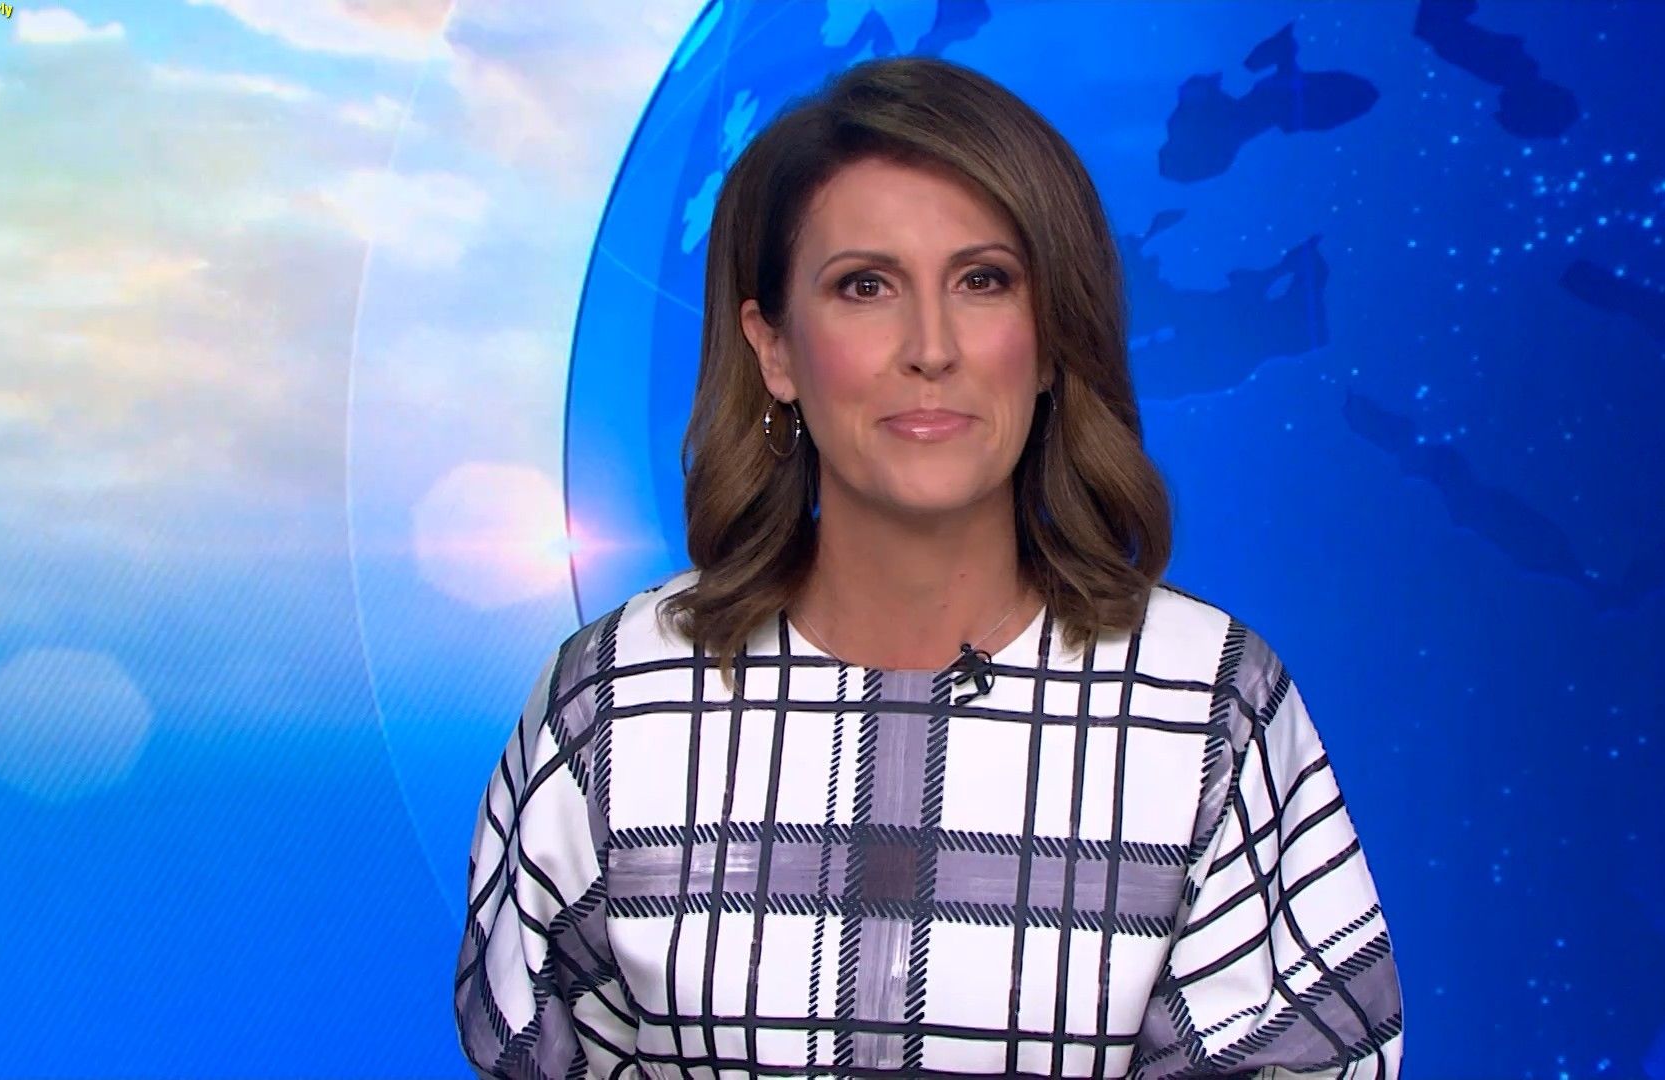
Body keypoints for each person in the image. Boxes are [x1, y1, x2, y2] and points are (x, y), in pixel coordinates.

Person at [454, 55, 1402, 1079]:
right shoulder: (614, 696)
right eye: (865, 287)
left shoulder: (1212, 700)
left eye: (983, 281)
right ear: (775, 349)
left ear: (1051, 340)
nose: (931, 348)